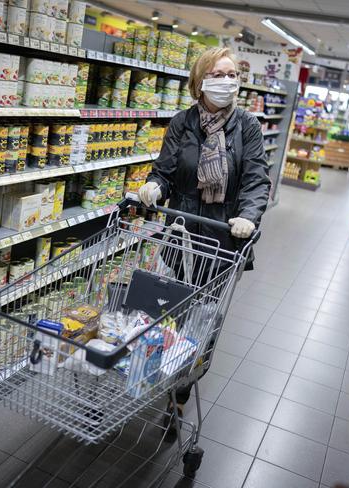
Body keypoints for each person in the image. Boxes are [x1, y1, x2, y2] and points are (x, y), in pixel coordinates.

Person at [136, 46, 271, 437]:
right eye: (218, 73)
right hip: (180, 234)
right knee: (169, 311)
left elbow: (256, 180)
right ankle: (156, 371)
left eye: (232, 74)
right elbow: (163, 171)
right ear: (200, 80)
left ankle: (179, 396)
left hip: (221, 242)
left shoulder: (246, 126)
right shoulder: (182, 123)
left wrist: (247, 216)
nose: (227, 81)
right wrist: (153, 187)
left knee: (202, 323)